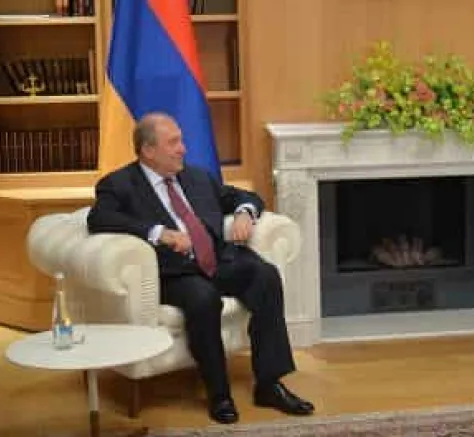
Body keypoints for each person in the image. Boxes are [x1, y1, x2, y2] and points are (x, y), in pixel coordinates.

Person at [87, 112, 314, 424]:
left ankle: (269, 384)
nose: (183, 149)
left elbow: (244, 196)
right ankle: (219, 394)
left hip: (217, 260)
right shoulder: (120, 184)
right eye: (174, 143)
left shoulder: (196, 177)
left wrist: (245, 213)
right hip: (174, 272)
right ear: (148, 150)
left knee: (265, 275)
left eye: (181, 141)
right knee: (204, 299)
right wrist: (158, 233)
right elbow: (99, 218)